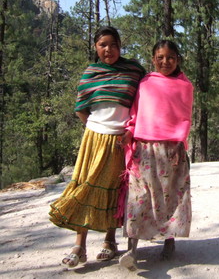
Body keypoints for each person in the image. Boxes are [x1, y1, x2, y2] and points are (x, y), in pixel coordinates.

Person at [49, 26, 146, 268]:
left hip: (120, 140)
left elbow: (146, 99)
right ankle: (79, 245)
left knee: (114, 190)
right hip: (94, 139)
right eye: (103, 45)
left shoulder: (133, 70)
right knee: (86, 186)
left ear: (120, 45)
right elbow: (81, 107)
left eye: (113, 44)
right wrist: (96, 128)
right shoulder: (90, 73)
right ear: (95, 47)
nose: (108, 49)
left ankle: (109, 242)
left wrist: (130, 131)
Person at [117, 39, 194, 271]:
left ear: (177, 59)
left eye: (170, 57)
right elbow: (136, 112)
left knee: (171, 196)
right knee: (138, 197)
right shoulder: (145, 83)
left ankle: (169, 241)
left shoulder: (185, 86)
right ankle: (132, 248)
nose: (165, 61)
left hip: (172, 150)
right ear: (153, 59)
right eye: (160, 57)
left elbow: (184, 118)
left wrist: (178, 143)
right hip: (144, 148)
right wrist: (129, 132)